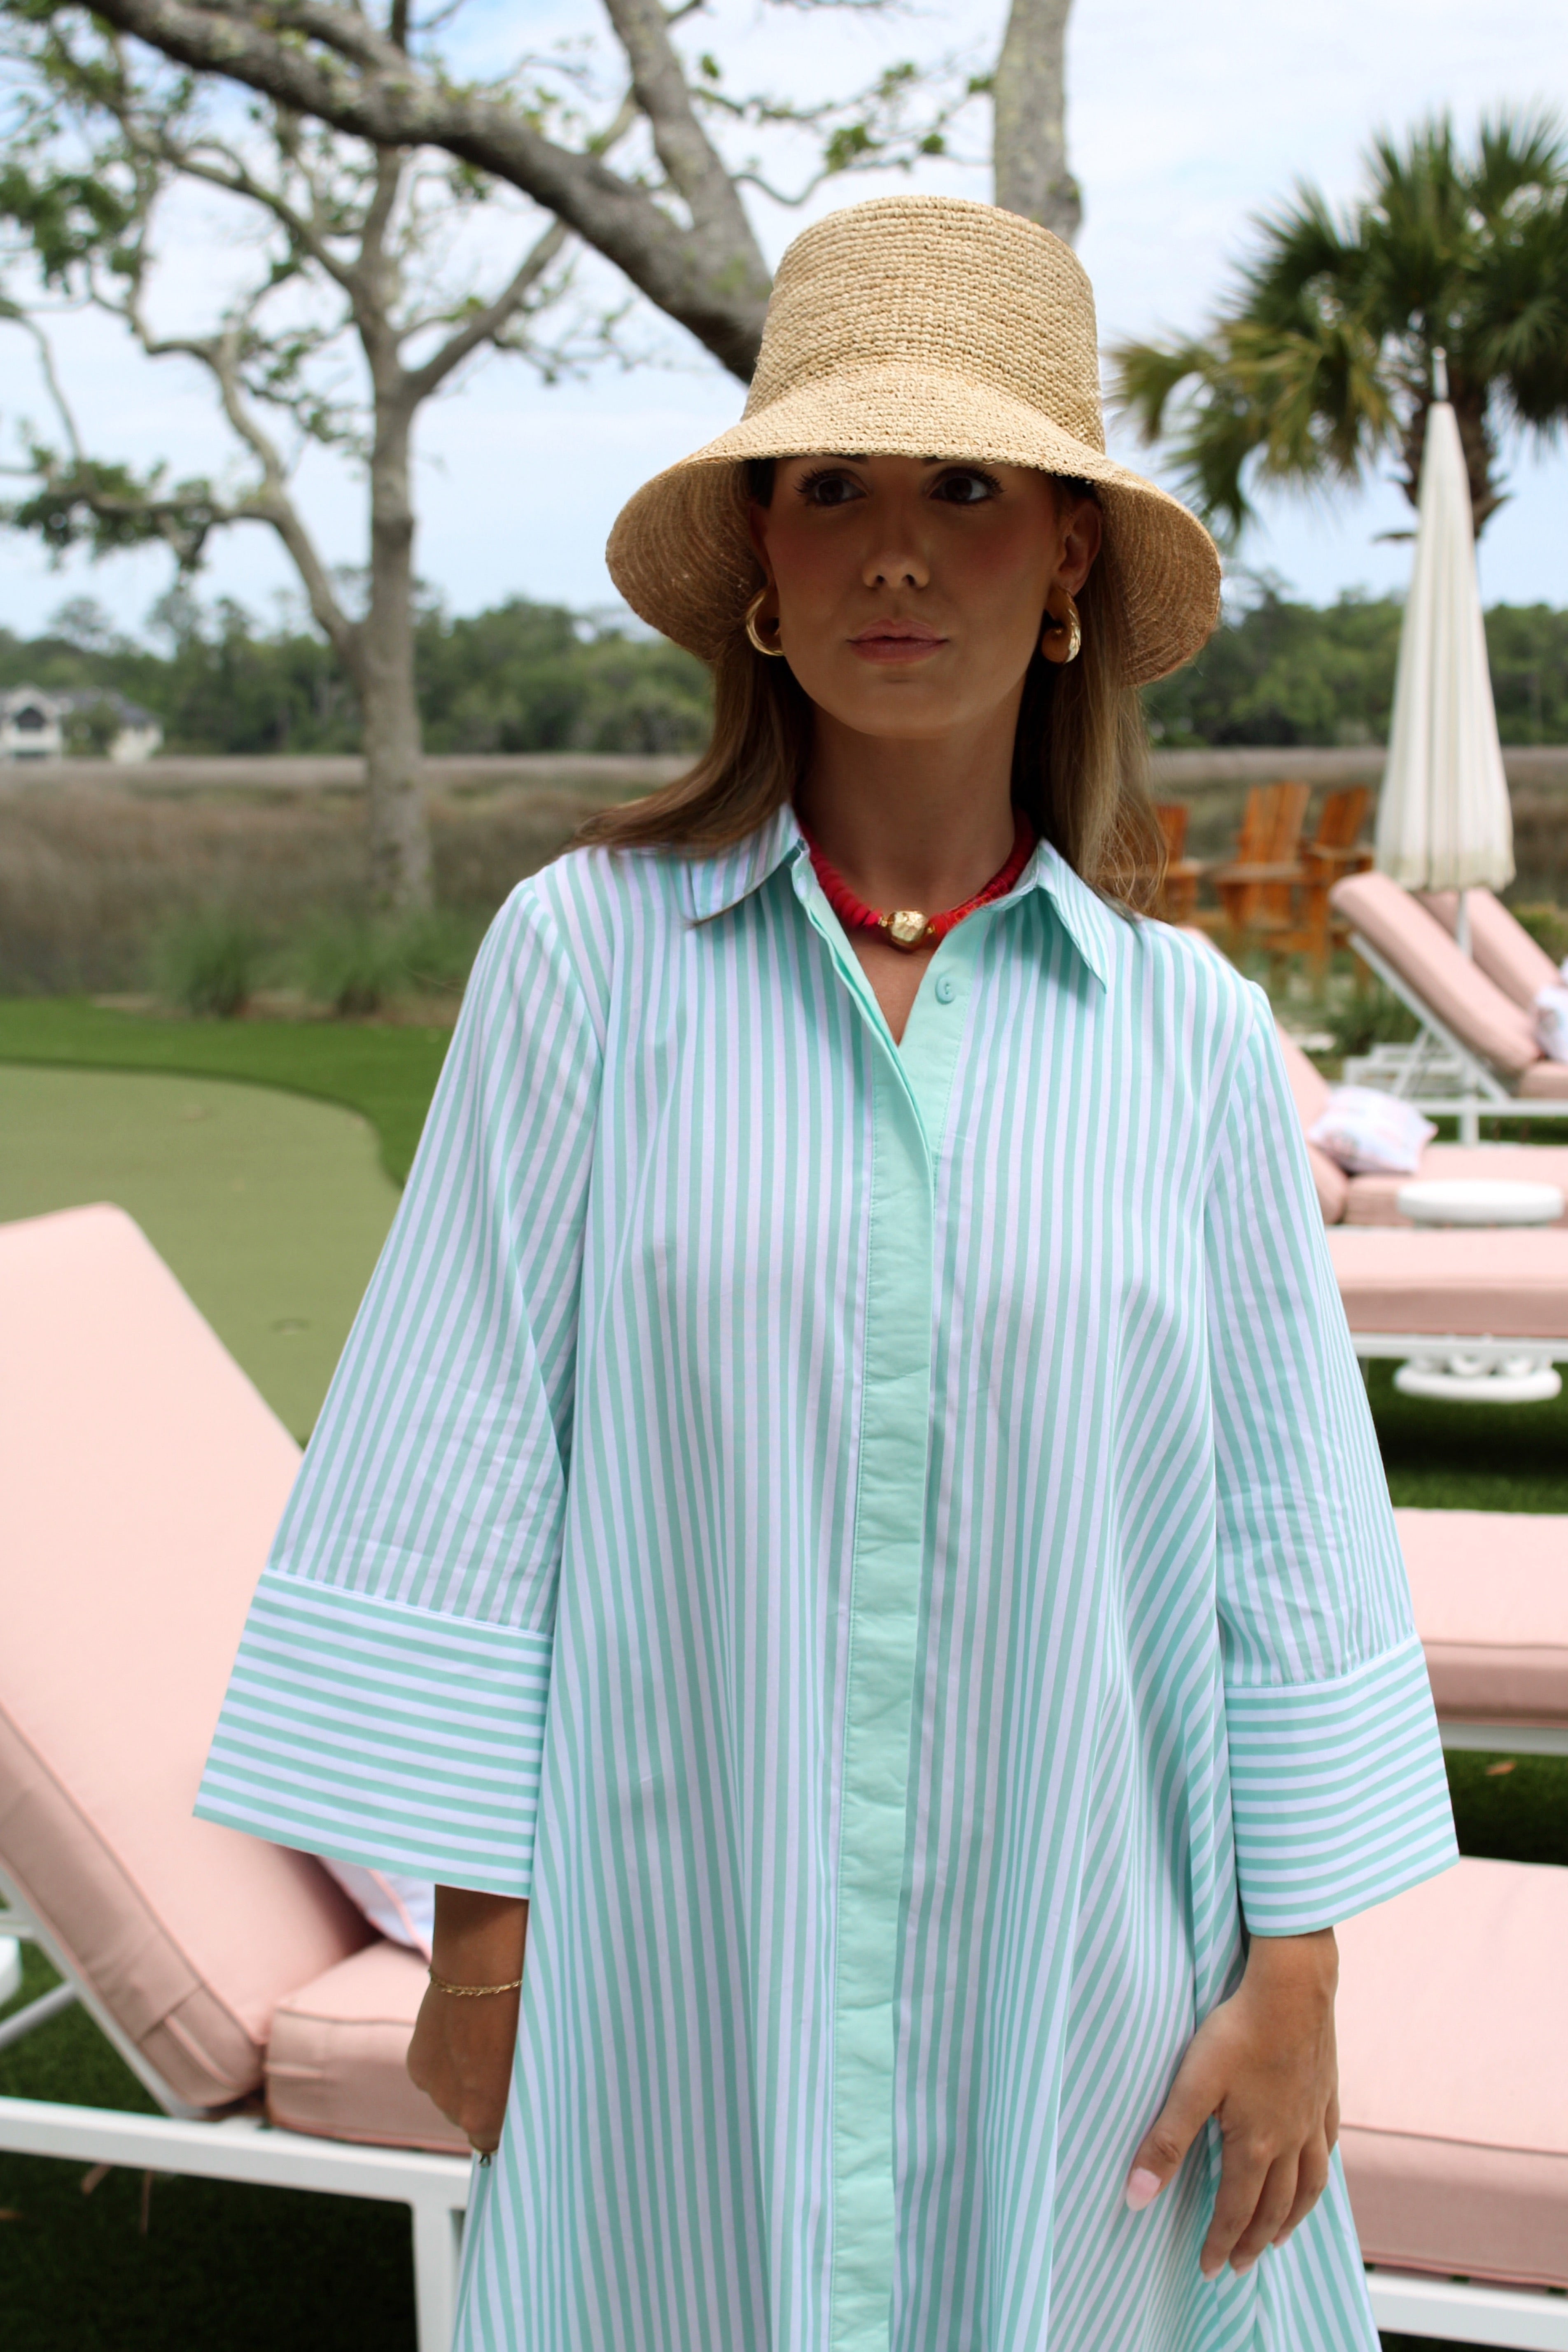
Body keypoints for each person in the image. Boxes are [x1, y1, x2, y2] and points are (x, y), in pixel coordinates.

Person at [197, 195, 1456, 2350]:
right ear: (762, 568)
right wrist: (481, 1940)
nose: (896, 552)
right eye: (834, 488)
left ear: (1066, 559)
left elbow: (1293, 1532)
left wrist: (1305, 1970)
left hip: (1086, 1987)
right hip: (678, 1973)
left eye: (967, 489)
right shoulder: (585, 963)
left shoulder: (1185, 1040)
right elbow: (464, 1457)